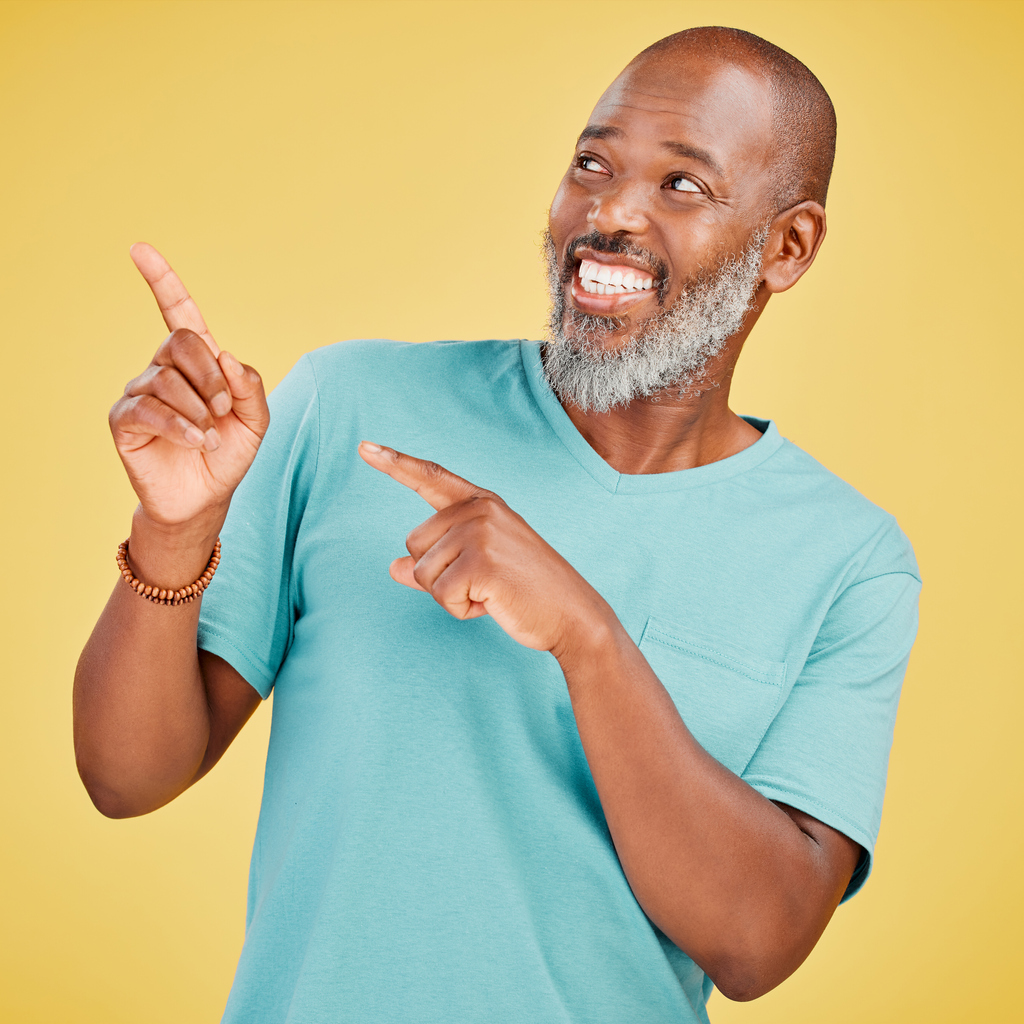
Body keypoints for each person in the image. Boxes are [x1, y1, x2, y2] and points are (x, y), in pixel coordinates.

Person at [74, 25, 920, 1024]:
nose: (607, 212)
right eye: (591, 163)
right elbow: (125, 776)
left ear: (788, 245)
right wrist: (172, 529)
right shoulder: (351, 403)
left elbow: (757, 941)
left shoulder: (848, 559)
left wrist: (584, 634)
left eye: (680, 185)